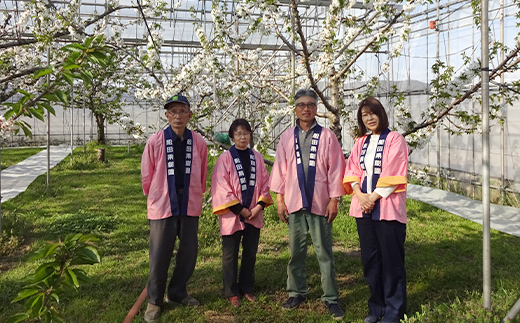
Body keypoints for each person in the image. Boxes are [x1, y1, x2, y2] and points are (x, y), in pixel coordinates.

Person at [269, 89, 346, 321]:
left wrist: (334, 199)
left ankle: (331, 297)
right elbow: (280, 169)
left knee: (324, 253)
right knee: (296, 252)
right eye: (301, 104)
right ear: (295, 109)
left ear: (316, 109)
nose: (306, 108)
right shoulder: (286, 137)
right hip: (293, 202)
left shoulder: (327, 137)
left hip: (320, 202)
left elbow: (336, 170)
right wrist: (280, 199)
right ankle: (296, 292)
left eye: (310, 104)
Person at [141, 94, 208, 323]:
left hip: (189, 203)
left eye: (182, 111)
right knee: (159, 254)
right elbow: (146, 173)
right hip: (163, 204)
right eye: (173, 111)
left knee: (189, 252)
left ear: (190, 115)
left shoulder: (198, 142)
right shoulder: (156, 141)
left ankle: (177, 292)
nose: (178, 116)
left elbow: (202, 171)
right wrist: (154, 196)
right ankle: (154, 301)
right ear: (167, 115)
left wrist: (198, 193)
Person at [342, 97, 409, 323]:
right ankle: (376, 308)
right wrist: (360, 196)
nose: (369, 118)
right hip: (363, 208)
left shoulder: (395, 139)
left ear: (381, 114)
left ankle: (394, 311)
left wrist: (373, 197)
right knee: (371, 260)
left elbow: (394, 171)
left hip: (388, 208)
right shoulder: (360, 143)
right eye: (364, 115)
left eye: (372, 113)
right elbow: (351, 170)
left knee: (392, 261)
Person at [211, 118, 274, 308]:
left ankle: (247, 287)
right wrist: (240, 210)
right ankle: (231, 291)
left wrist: (257, 207)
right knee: (230, 254)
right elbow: (221, 187)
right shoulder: (225, 159)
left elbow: (265, 183)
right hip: (233, 214)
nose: (242, 137)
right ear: (231, 137)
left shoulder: (257, 157)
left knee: (250, 252)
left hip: (254, 214)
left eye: (246, 133)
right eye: (238, 133)